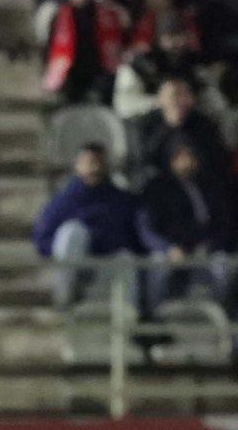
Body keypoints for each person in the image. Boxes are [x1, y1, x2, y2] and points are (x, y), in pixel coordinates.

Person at [34, 143, 140, 307]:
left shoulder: (120, 199)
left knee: (125, 259)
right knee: (73, 232)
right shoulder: (63, 200)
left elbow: (132, 235)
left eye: (99, 161)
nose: (95, 167)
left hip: (105, 263)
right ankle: (64, 299)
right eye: (89, 161)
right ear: (78, 165)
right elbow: (43, 238)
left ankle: (129, 320)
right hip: (73, 265)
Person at [138, 140, 236, 311]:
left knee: (224, 268)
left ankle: (222, 319)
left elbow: (224, 225)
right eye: (181, 158)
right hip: (170, 251)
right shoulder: (156, 188)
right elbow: (146, 228)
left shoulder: (211, 186)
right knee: (156, 267)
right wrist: (168, 248)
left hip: (205, 251)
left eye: (190, 157)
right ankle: (154, 322)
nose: (186, 163)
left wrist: (208, 245)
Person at [43, 0, 128, 104]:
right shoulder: (60, 16)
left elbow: (118, 39)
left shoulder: (105, 13)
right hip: (70, 68)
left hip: (100, 65)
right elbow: (51, 45)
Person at [129, 77, 229, 185]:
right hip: (164, 183)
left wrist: (197, 160)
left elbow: (219, 156)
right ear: (161, 100)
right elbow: (142, 161)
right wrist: (169, 126)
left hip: (203, 180)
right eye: (175, 95)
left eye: (185, 94)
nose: (181, 101)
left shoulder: (202, 121)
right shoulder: (145, 124)